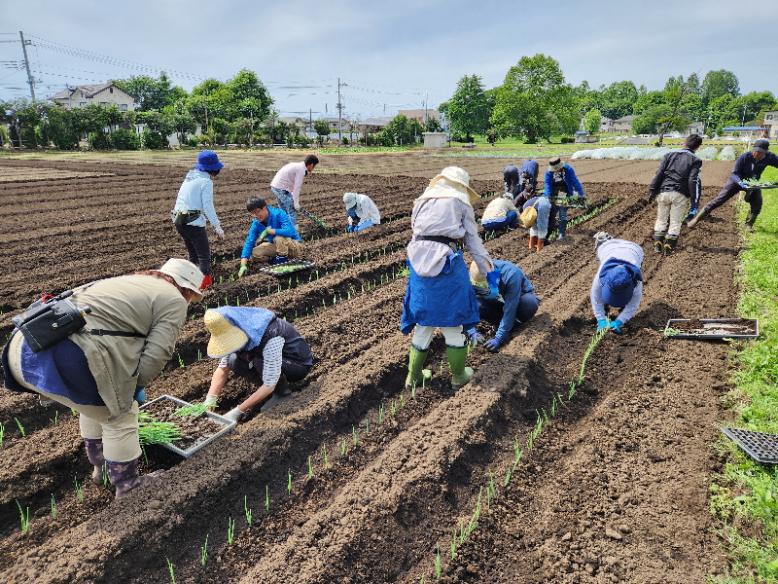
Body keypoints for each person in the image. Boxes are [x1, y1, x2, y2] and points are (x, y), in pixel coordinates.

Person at [2, 259, 204, 499]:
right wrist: (134, 388)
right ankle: (128, 485)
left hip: (23, 348)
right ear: (188, 290)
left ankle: (101, 470)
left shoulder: (131, 282)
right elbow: (157, 355)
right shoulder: (173, 299)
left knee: (93, 407)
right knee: (119, 414)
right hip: (66, 354)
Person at [400, 166, 497, 390]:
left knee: (423, 322)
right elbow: (473, 241)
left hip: (418, 265)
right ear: (461, 186)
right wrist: (488, 271)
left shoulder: (421, 200)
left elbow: (416, 232)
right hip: (446, 265)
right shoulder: (461, 201)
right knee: (453, 320)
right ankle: (459, 376)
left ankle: (413, 377)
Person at [202, 307, 314, 421]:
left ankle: (282, 393)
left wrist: (237, 411)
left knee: (259, 361)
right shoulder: (240, 327)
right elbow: (222, 369)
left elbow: (269, 384)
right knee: (233, 360)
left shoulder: (271, 336)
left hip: (296, 364)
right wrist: (210, 399)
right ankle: (264, 390)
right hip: (269, 361)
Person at [688, 139, 778, 232]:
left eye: (759, 152)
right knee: (719, 200)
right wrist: (741, 183)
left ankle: (748, 225)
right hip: (736, 181)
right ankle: (696, 219)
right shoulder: (745, 157)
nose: (756, 154)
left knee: (757, 203)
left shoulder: (770, 157)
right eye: (755, 151)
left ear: (765, 152)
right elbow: (734, 173)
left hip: (752, 183)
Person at [171, 150, 225, 289]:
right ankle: (204, 287)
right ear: (214, 168)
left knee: (193, 254)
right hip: (193, 222)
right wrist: (217, 226)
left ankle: (189, 282)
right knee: (204, 256)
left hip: (179, 220)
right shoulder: (206, 182)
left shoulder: (190, 177)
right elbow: (207, 206)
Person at [466, 260, 539, 352]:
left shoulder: (511, 274)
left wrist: (499, 338)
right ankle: (506, 324)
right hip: (497, 301)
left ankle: (513, 324)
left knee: (529, 303)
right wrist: (471, 330)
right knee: (477, 304)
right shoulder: (473, 276)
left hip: (518, 301)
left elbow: (511, 308)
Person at [647, 134, 703, 255]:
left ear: (685, 142)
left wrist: (652, 190)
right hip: (680, 194)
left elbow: (659, 174)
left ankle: (657, 245)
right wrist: (694, 203)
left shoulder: (669, 155)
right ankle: (668, 247)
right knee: (675, 222)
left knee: (661, 219)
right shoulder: (696, 160)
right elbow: (692, 180)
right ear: (697, 147)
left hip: (663, 191)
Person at [590, 232, 643, 334]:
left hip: (634, 250)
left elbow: (633, 305)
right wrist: (600, 319)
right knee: (602, 248)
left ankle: (621, 305)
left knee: (626, 304)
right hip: (608, 248)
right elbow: (595, 298)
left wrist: (620, 321)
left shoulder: (636, 281)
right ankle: (605, 240)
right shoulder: (600, 278)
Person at [238, 197, 304, 276]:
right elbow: (249, 242)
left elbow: (290, 231)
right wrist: (243, 265)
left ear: (265, 208)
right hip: (278, 248)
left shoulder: (279, 213)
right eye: (253, 213)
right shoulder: (256, 223)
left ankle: (282, 263)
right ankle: (278, 260)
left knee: (279, 237)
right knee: (255, 252)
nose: (256, 215)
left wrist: (270, 231)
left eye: (257, 211)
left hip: (294, 247)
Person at [543, 157, 586, 241]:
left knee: (562, 213)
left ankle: (562, 234)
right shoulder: (548, 172)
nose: (555, 170)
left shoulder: (567, 169)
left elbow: (574, 181)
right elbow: (547, 184)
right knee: (551, 213)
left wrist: (581, 193)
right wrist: (547, 196)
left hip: (563, 192)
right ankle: (546, 235)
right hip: (553, 192)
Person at [270, 154, 320, 226]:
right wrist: (296, 203)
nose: (313, 168)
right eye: (314, 166)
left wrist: (293, 197)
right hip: (280, 188)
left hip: (276, 186)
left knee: (284, 211)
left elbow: (291, 183)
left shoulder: (297, 166)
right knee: (292, 210)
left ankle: (282, 229)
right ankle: (290, 232)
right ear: (311, 164)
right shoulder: (301, 170)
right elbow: (297, 187)